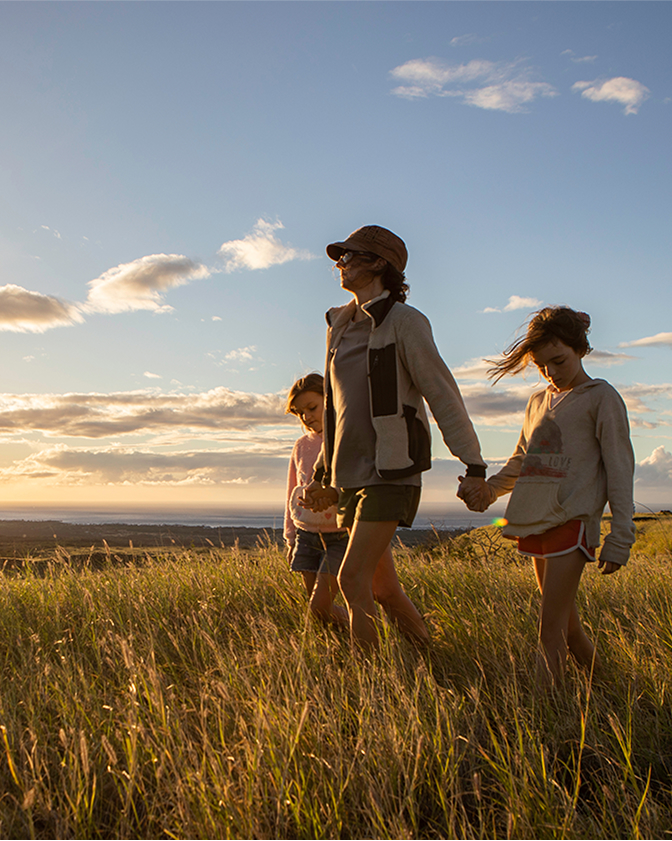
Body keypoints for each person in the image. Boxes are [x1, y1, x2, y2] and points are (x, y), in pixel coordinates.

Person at [300, 225, 488, 649]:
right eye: (340, 257)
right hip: (350, 476)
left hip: (391, 471)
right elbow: (335, 408)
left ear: (379, 264)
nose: (340, 265)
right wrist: (321, 473)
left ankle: (371, 684)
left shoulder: (406, 322)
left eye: (350, 256)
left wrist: (474, 464)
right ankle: (429, 659)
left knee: (351, 578)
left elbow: (442, 392)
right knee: (383, 589)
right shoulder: (340, 325)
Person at [460, 306, 635, 687]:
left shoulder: (601, 397)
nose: (551, 372)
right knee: (567, 629)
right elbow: (523, 460)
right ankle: (615, 692)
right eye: (542, 366)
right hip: (535, 521)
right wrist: (487, 490)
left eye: (558, 360)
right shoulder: (538, 401)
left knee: (549, 630)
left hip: (572, 521)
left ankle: (545, 719)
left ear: (579, 349)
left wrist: (621, 537)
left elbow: (620, 469)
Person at [284, 373, 348, 627]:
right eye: (300, 412)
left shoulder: (345, 438)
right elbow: (292, 492)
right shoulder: (301, 446)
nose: (306, 416)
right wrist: (290, 538)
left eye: (312, 408)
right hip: (306, 535)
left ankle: (378, 630)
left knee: (318, 605)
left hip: (341, 535)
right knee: (319, 612)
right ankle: (335, 651)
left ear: (329, 400)